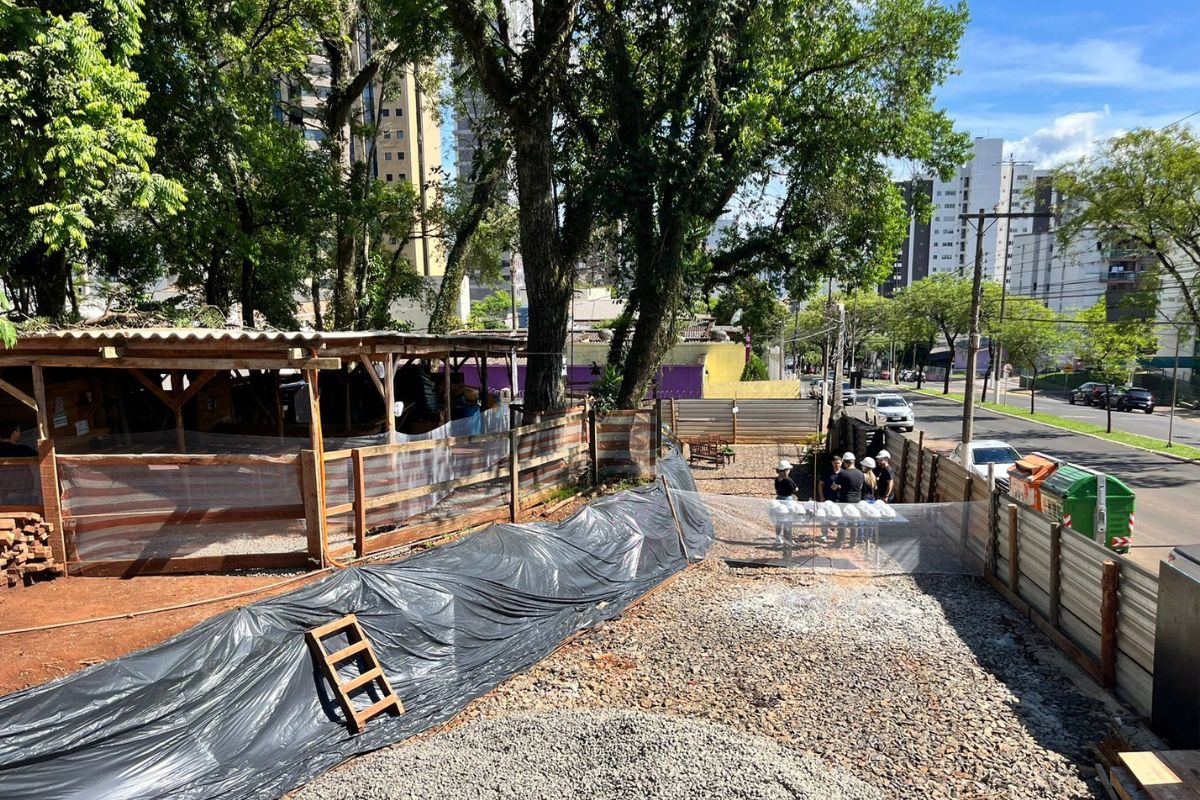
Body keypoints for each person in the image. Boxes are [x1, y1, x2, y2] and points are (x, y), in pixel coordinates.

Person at [831, 452, 866, 548]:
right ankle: (852, 543)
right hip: (856, 501)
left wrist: (837, 485)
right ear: (854, 461)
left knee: (842, 522)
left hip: (844, 501)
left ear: (845, 462)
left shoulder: (843, 474)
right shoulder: (861, 474)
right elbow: (862, 487)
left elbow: (834, 487)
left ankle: (840, 543)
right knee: (854, 522)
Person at [773, 460, 799, 547]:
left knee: (779, 520)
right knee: (788, 520)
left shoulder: (777, 479)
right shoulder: (788, 479)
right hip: (788, 500)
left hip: (779, 499)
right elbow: (795, 489)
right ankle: (788, 539)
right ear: (786, 470)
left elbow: (777, 489)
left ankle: (778, 538)